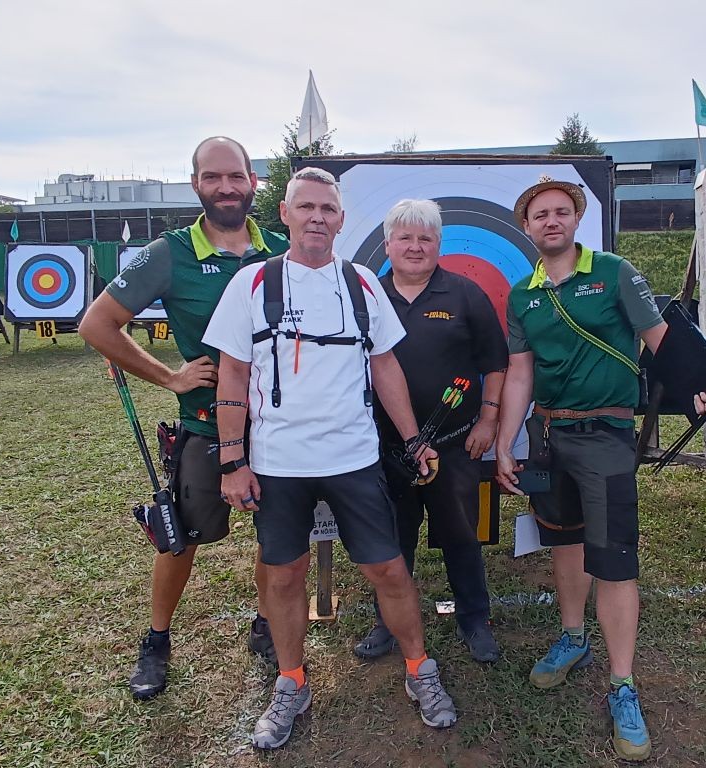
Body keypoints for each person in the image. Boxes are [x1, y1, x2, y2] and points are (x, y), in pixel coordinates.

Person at [204, 168, 458, 750]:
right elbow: (233, 374)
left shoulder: (363, 282)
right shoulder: (251, 282)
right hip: (278, 463)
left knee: (388, 570)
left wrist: (413, 439)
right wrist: (233, 462)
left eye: (328, 209)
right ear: (285, 214)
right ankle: (291, 682)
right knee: (284, 574)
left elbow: (384, 365)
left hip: (354, 458)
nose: (317, 217)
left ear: (341, 220)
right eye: (306, 207)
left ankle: (419, 669)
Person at [494, 176, 706, 762]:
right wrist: (505, 442)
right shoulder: (522, 295)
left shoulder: (615, 273)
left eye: (560, 211)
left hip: (606, 435)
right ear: (527, 227)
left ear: (576, 220)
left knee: (615, 559)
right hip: (547, 436)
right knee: (563, 539)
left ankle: (622, 683)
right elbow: (520, 373)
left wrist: (697, 388)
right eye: (539, 214)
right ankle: (573, 638)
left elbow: (660, 339)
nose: (551, 221)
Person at [79, 136, 285, 701]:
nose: (226, 187)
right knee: (179, 540)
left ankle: (267, 624)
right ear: (196, 184)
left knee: (275, 536)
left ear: (253, 183)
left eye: (235, 176)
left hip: (276, 427)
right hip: (205, 425)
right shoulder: (168, 253)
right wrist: (169, 377)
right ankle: (156, 640)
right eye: (212, 177)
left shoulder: (282, 248)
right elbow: (97, 324)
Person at [353, 199, 508, 664]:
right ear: (388, 245)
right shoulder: (366, 297)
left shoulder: (465, 294)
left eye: (425, 238)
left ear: (439, 245)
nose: (415, 247)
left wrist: (488, 420)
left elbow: (495, 363)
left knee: (461, 535)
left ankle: (474, 620)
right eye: (405, 237)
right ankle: (387, 622)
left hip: (454, 444)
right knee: (391, 541)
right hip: (385, 448)